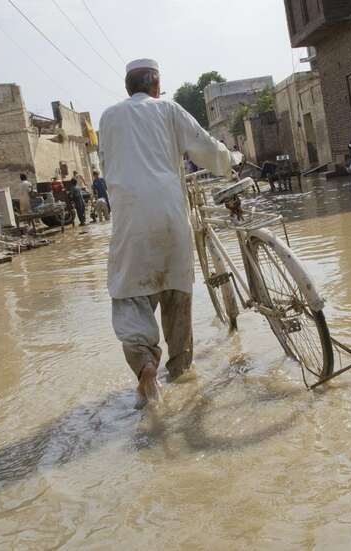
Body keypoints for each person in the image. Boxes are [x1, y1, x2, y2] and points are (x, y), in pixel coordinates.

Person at [99, 58, 231, 408]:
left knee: (130, 297)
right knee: (177, 297)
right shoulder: (169, 110)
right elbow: (205, 149)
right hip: (171, 216)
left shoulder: (109, 117)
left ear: (129, 87)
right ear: (157, 85)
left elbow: (108, 168)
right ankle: (181, 373)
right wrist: (230, 160)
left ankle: (144, 362)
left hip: (130, 222)